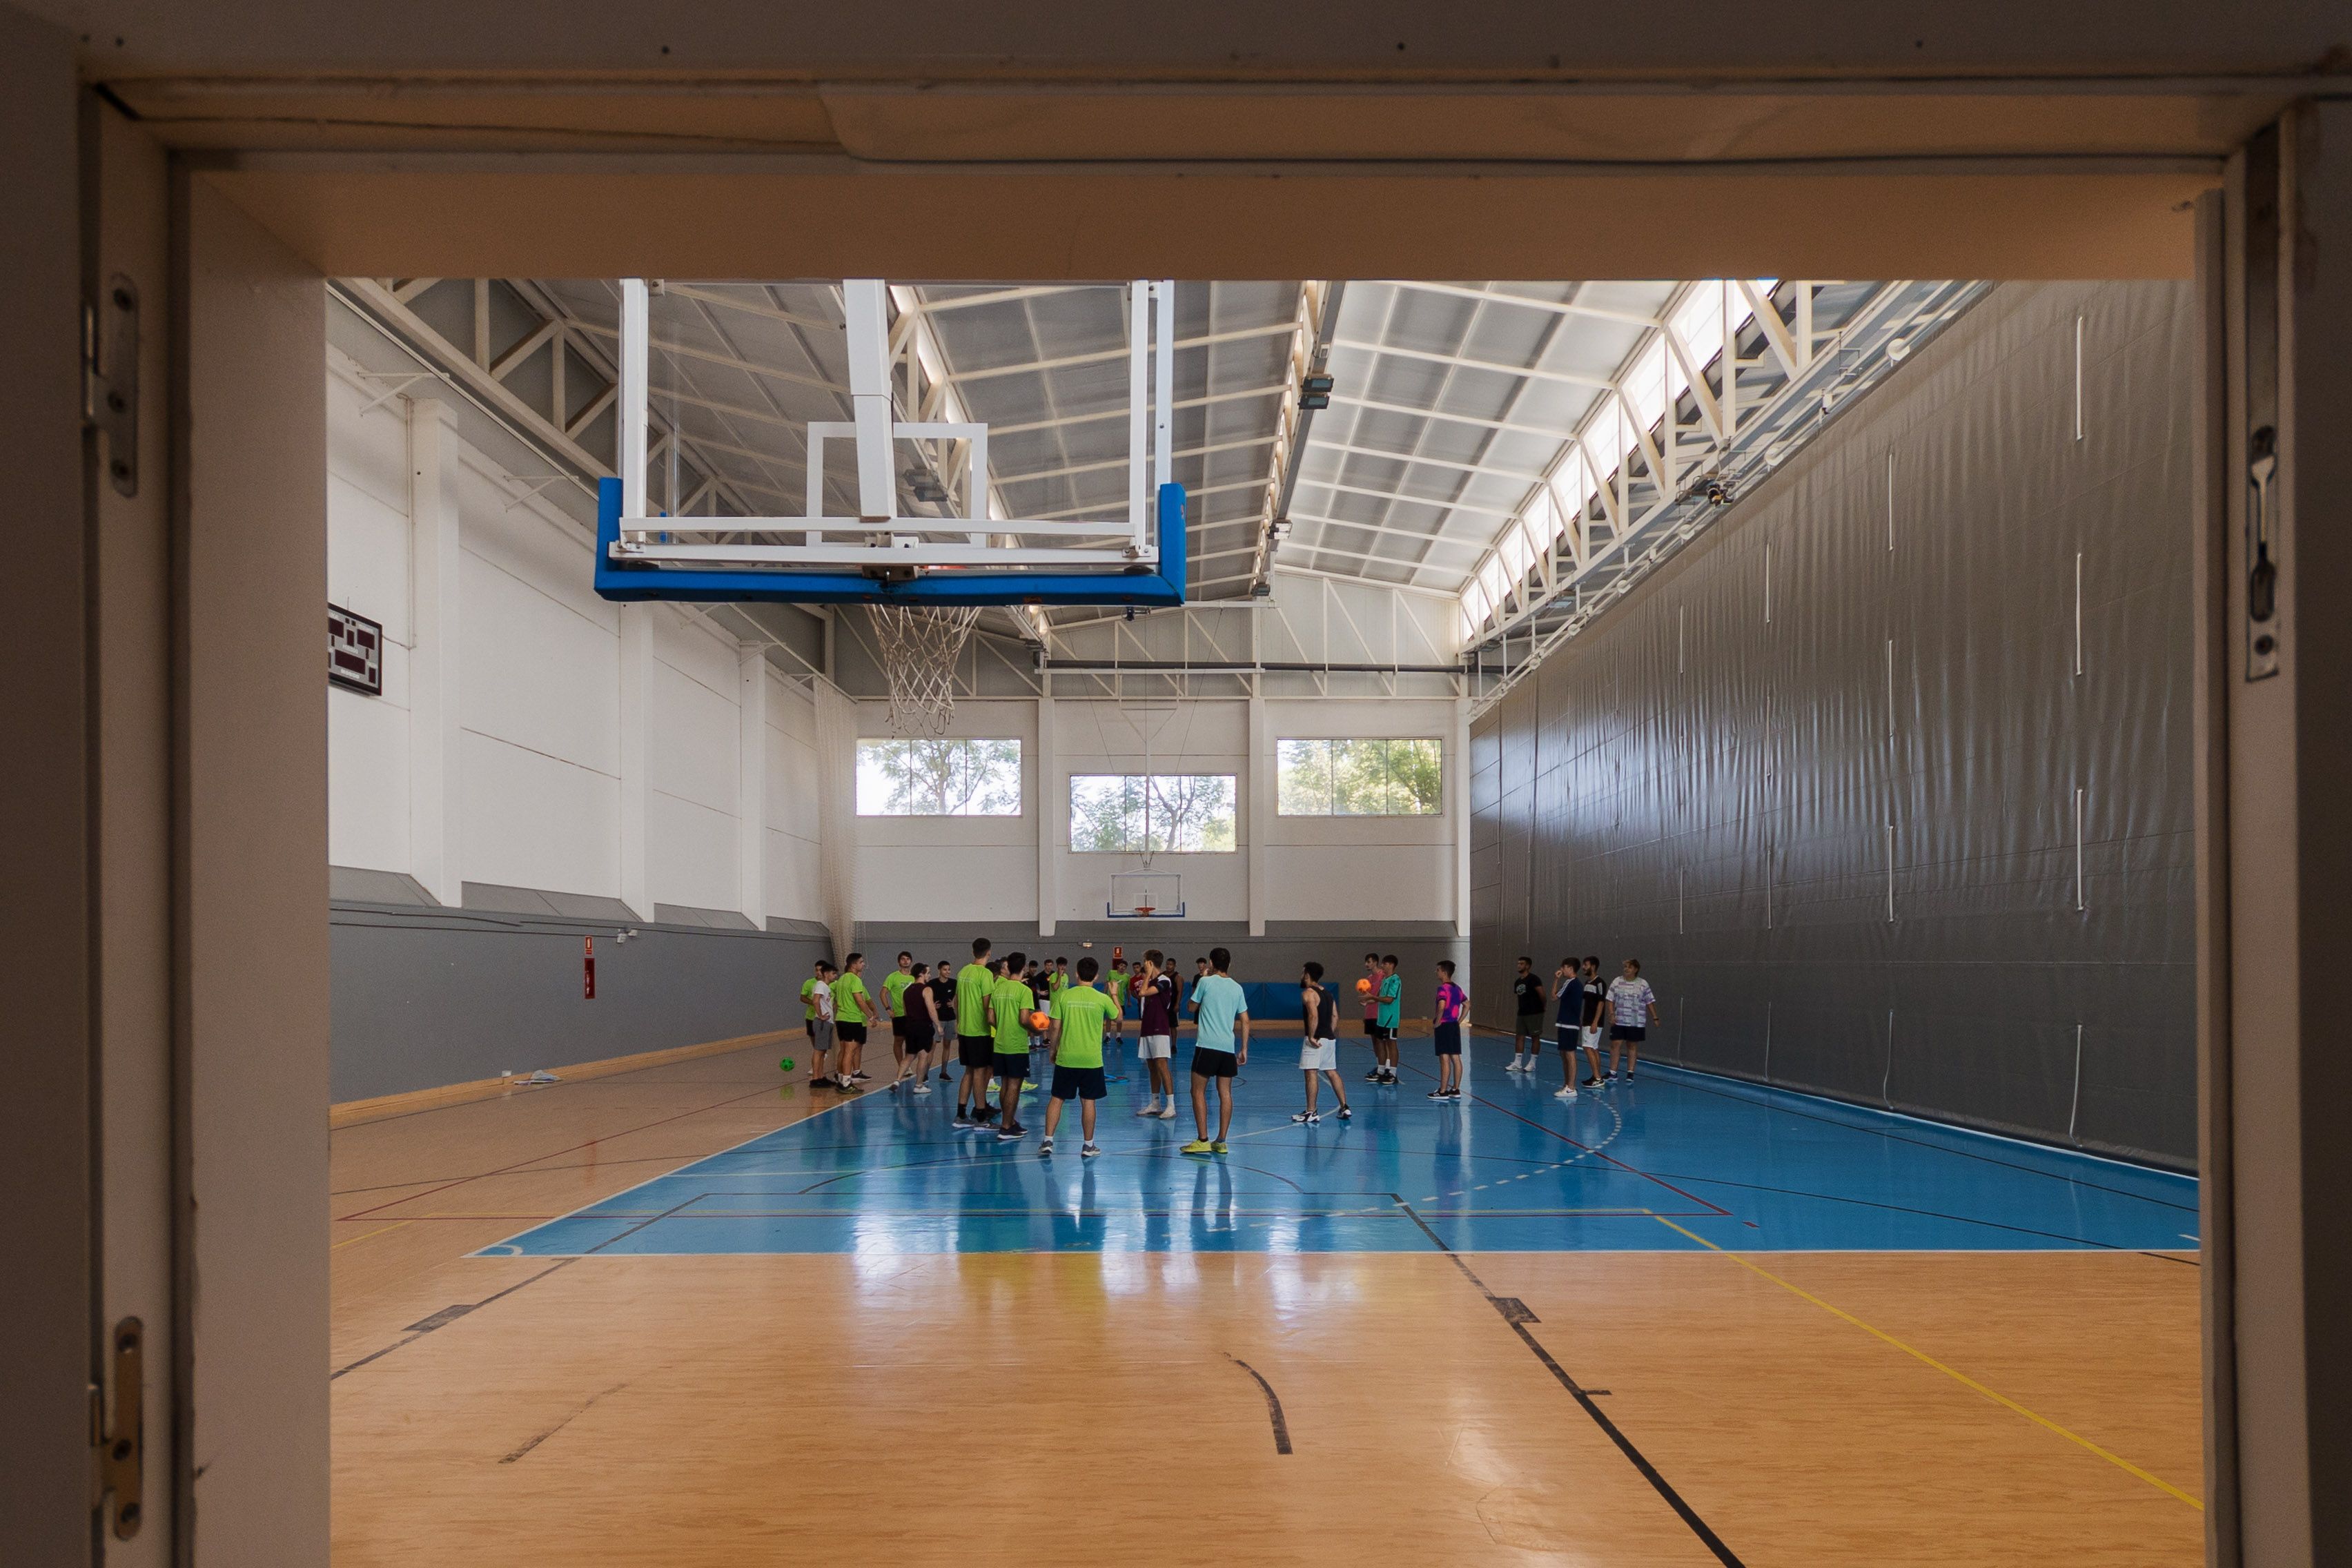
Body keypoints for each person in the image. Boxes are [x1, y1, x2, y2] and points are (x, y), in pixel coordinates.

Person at [1041, 956, 1121, 1157]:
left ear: (1076, 974)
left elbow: (1055, 1027)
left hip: (1067, 1058)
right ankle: (1088, 1145)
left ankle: (1048, 1142)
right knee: (1088, 1102)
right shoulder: (1102, 999)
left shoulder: (1064, 997)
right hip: (1091, 1061)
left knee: (1057, 1099)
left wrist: (1053, 1050)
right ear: (1096, 976)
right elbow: (1118, 1017)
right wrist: (1114, 994)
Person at [1182, 948, 1249, 1156]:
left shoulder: (1205, 982)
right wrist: (1244, 1048)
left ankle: (1203, 1140)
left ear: (1211, 963)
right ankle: (1221, 1141)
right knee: (1225, 1093)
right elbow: (1245, 1019)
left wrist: (1202, 979)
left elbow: (1191, 1008)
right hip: (1227, 1048)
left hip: (1207, 1046)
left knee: (1197, 1091)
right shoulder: (1237, 988)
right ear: (1230, 963)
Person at [1293, 961, 1351, 1124]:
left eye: (1303, 973)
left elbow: (1313, 1015)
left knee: (1311, 1073)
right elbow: (1335, 1017)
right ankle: (1345, 1106)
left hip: (1316, 1039)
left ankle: (1311, 1112)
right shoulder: (1328, 993)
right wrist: (1329, 1033)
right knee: (1331, 1071)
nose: (1301, 976)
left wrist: (1312, 1036)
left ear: (1307, 975)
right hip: (1329, 1038)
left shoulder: (1308, 993)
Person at [988, 951, 1037, 1140]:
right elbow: (1025, 1019)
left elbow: (990, 1018)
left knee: (1005, 1084)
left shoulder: (998, 990)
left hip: (1000, 1044)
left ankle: (1010, 1122)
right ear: (1023, 968)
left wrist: (1003, 1027)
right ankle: (1006, 1127)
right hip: (1016, 1045)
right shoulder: (1024, 991)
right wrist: (1037, 1030)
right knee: (1015, 1086)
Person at [954, 938, 998, 1128]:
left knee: (969, 1072)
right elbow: (987, 1004)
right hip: (979, 1031)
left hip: (964, 1030)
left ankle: (961, 1115)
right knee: (980, 1073)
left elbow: (956, 1001)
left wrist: (960, 1020)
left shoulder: (963, 971)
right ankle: (981, 1117)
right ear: (989, 952)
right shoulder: (985, 974)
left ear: (973, 952)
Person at [1133, 949, 1180, 1118]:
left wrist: (1146, 976)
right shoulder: (1152, 981)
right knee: (1152, 1067)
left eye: (1145, 962)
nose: (1143, 965)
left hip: (1160, 1029)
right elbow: (1145, 1007)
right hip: (1147, 1029)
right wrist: (1141, 1033)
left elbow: (1143, 992)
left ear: (1150, 963)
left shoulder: (1164, 980)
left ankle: (1171, 1105)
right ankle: (1155, 1102)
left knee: (1162, 1066)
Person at [1605, 958, 1659, 1082]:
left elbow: (1649, 1001)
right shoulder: (1617, 981)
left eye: (1629, 967)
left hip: (1636, 1021)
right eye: (1625, 967)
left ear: (1635, 969)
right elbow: (1610, 999)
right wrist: (1611, 1014)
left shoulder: (1643, 984)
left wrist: (1655, 1017)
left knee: (1632, 1045)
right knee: (1616, 1044)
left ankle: (1630, 1073)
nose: (1626, 969)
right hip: (1619, 1020)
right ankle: (1613, 1072)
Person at [832, 952, 874, 1091]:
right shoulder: (855, 980)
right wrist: (870, 1015)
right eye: (861, 962)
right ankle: (846, 1083)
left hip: (841, 1019)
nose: (863, 964)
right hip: (852, 1018)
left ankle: (839, 1078)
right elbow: (860, 1000)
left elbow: (837, 1001)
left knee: (844, 1050)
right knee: (850, 1051)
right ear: (853, 965)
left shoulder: (841, 980)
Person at [896, 962, 940, 1090]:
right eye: (928, 973)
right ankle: (919, 1085)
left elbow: (905, 1011)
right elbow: (931, 1010)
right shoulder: (927, 989)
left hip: (909, 1026)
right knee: (923, 1055)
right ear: (921, 974)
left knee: (909, 1056)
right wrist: (938, 1025)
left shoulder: (907, 991)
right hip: (923, 1027)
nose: (930, 975)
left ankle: (897, 1080)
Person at [1551, 957, 1589, 1100]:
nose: (1561, 969)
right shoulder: (1574, 984)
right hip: (1565, 1023)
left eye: (1563, 967)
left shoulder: (1571, 983)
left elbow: (1554, 997)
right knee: (1564, 1054)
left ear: (1570, 968)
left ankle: (1571, 1087)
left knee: (1570, 1054)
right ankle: (1567, 1085)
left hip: (1569, 1023)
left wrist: (1556, 979)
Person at [1430, 960, 1468, 1101]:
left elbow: (1441, 1006)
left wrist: (1437, 1022)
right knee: (1456, 1057)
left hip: (1444, 1025)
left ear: (1444, 973)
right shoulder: (1457, 989)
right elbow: (1467, 1004)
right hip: (1453, 1025)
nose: (1436, 972)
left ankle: (1443, 1091)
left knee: (1444, 1058)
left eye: (1438, 970)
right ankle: (1456, 1089)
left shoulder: (1443, 989)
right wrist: (1459, 1021)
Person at [1507, 957, 1546, 1073]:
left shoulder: (1534, 979)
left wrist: (1542, 1007)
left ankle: (1532, 1063)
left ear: (1527, 966)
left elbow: (1542, 995)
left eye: (1522, 964)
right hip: (1522, 1013)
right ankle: (1517, 1062)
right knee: (1519, 1036)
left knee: (1535, 1037)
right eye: (1518, 963)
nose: (1519, 965)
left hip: (1534, 1013)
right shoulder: (1518, 981)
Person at [802, 960, 836, 1088]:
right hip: (822, 1022)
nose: (835, 976)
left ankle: (821, 1076)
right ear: (826, 974)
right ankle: (815, 1079)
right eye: (833, 973)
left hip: (827, 1022)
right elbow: (816, 1001)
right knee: (818, 1050)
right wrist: (821, 1015)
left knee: (823, 1051)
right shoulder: (821, 985)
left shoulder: (826, 987)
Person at [882, 951, 917, 1080]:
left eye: (908, 959)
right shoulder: (893, 977)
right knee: (898, 1041)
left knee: (911, 1042)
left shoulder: (914, 977)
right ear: (899, 962)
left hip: (913, 1016)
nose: (906, 961)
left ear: (911, 961)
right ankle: (902, 1066)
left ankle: (907, 1063)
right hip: (899, 1015)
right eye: (903, 959)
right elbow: (883, 993)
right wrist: (888, 1009)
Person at [1577, 956, 1609, 1088]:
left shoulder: (1599, 983)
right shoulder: (1587, 983)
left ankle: (1597, 1078)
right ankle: (1597, 1075)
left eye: (1586, 965)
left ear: (1593, 967)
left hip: (1594, 1022)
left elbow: (1601, 1003)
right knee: (1593, 1048)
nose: (1584, 967)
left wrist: (1595, 1022)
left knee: (1588, 1047)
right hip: (1586, 1021)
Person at [1373, 954, 1404, 1084]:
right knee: (1380, 1042)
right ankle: (1381, 1070)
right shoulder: (1385, 980)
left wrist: (1374, 998)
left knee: (1391, 1043)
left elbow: (1389, 999)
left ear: (1391, 965)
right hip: (1382, 1018)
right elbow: (1380, 996)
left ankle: (1393, 1073)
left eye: (1384, 963)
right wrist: (1368, 999)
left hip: (1391, 1018)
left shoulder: (1395, 980)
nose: (1382, 966)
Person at [930, 959, 959, 1084]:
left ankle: (943, 1071)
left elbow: (957, 997)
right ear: (939, 970)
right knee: (932, 1046)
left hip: (950, 1018)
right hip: (938, 1019)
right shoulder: (932, 984)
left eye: (949, 969)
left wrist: (954, 1004)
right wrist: (932, 1005)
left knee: (947, 1045)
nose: (947, 972)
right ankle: (925, 1073)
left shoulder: (954, 983)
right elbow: (926, 998)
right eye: (945, 969)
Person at [1360, 952, 1385, 1083]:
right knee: (1374, 1042)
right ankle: (1379, 1066)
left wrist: (1369, 1000)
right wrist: (1364, 1004)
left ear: (1375, 962)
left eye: (1369, 962)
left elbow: (1379, 996)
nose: (1367, 964)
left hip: (1379, 1014)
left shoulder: (1383, 977)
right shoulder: (1368, 979)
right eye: (1366, 962)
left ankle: (1383, 1070)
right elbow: (1368, 996)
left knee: (1381, 1041)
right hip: (1370, 1013)